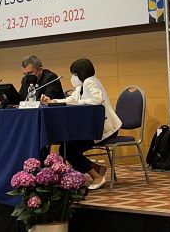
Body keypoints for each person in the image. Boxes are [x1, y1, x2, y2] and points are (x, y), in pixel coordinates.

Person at [41, 58, 122, 190]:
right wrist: (52, 101)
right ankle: (96, 168)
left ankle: (97, 177)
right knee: (66, 147)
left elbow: (97, 99)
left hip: (104, 128)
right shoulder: (81, 86)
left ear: (80, 73)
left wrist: (78, 103)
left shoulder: (90, 82)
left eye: (74, 74)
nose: (72, 77)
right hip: (92, 127)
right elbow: (70, 99)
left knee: (69, 150)